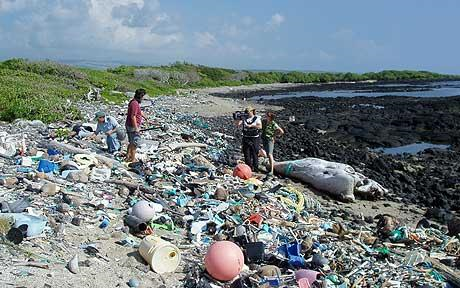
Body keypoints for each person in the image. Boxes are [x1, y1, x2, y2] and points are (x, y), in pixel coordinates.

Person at [236, 106, 262, 172]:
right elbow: (238, 125)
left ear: (252, 111)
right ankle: (249, 168)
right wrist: (238, 118)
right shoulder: (244, 118)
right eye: (246, 112)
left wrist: (252, 126)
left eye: (248, 112)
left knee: (254, 153)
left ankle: (256, 168)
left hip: (254, 138)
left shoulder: (256, 118)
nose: (247, 113)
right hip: (246, 137)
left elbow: (260, 126)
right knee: (246, 154)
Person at [125, 88, 148, 162]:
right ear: (140, 96)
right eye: (143, 96)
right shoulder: (134, 103)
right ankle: (133, 159)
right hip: (132, 126)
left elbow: (139, 111)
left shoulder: (134, 102)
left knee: (131, 142)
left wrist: (146, 118)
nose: (144, 98)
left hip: (129, 125)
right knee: (135, 143)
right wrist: (136, 127)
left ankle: (128, 156)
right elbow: (133, 116)